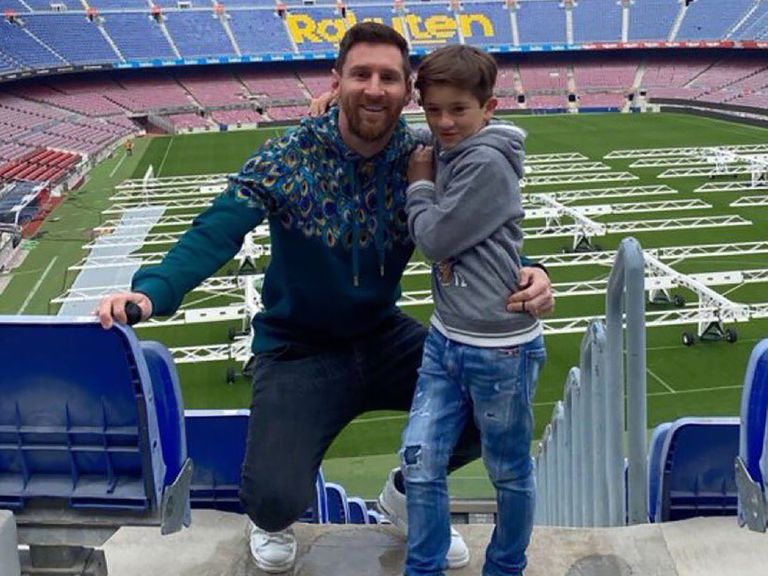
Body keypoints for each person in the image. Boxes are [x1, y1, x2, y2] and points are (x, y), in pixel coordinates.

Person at [97, 23, 553, 574]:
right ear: (337, 81)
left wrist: (532, 269)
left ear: (406, 92)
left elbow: (483, 217)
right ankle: (272, 518)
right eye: (361, 74)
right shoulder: (290, 157)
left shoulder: (422, 155)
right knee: (272, 500)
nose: (374, 88)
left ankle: (408, 494)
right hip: (298, 349)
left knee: (490, 407)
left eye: (388, 77)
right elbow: (219, 227)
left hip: (382, 335)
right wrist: (153, 291)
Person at [400, 45, 545, 576]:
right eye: (432, 109)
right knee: (419, 460)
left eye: (458, 109)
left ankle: (505, 566)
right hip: (446, 339)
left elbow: (436, 240)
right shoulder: (451, 145)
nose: (443, 122)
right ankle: (424, 568)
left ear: (489, 108)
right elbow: (412, 137)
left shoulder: (485, 161)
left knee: (508, 472)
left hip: (501, 349)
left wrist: (419, 184)